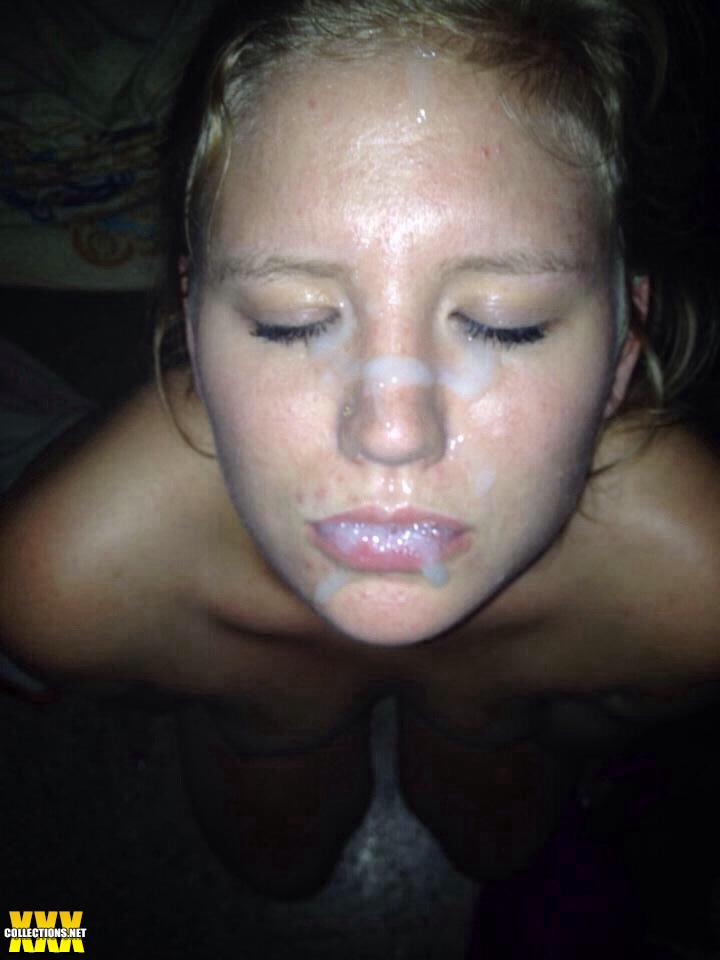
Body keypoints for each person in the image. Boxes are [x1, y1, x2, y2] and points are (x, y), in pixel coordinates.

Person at [1, 0, 719, 915]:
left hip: (499, 721)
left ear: (622, 348)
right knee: (279, 862)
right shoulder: (60, 583)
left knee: (498, 841)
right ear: (192, 327)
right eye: (291, 322)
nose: (389, 432)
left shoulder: (695, 592)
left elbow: (620, 715)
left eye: (504, 324)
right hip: (263, 714)